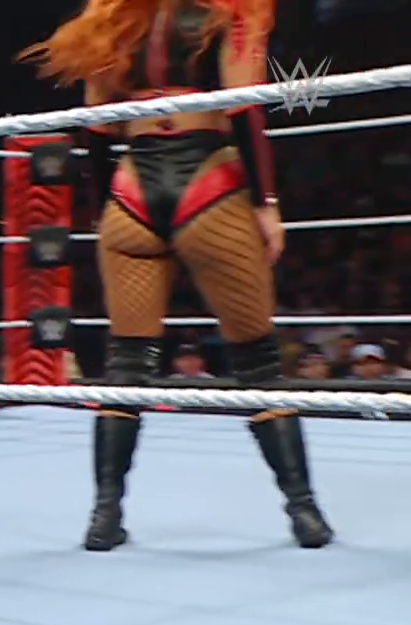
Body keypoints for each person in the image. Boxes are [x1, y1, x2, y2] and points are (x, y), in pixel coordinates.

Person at [21, 0, 333, 551]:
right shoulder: (227, 11)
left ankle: (104, 517)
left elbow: (97, 126)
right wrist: (265, 203)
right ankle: (304, 511)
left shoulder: (113, 21)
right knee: (259, 364)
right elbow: (244, 107)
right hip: (208, 180)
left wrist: (103, 210)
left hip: (131, 191)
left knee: (126, 367)